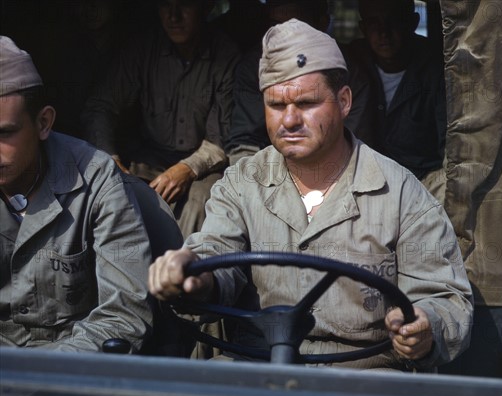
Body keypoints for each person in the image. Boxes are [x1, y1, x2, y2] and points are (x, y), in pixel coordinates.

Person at [149, 20, 473, 370]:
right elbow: (216, 250)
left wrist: (427, 326)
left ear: (344, 101)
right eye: (275, 105)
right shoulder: (242, 183)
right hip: (257, 363)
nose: (289, 120)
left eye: (306, 103)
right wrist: (195, 276)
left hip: (366, 375)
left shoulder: (402, 194)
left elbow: (446, 299)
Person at [0, 36, 153, 352]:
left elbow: (124, 316)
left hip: (74, 374)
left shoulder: (96, 180)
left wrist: (40, 374)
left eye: (4, 134)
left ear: (43, 123)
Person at [82, 0, 240, 237]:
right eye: (166, 5)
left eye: (185, 5)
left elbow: (220, 139)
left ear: (205, 8)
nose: (173, 16)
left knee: (199, 202)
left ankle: (180, 270)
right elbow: (100, 106)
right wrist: (110, 159)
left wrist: (187, 168)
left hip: (204, 164)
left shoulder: (226, 56)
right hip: (149, 156)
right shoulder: (143, 48)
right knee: (110, 193)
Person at [225, 0, 372, 166]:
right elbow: (244, 144)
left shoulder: (346, 72)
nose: (289, 120)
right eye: (276, 25)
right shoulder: (254, 67)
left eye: (308, 102)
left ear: (321, 24)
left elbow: (353, 149)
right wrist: (257, 185)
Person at [349, 0, 447, 198]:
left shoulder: (437, 67)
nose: (384, 32)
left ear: (412, 23)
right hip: (365, 179)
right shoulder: (353, 62)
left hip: (422, 178)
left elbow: (451, 145)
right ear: (363, 28)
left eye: (394, 21)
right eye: (374, 23)